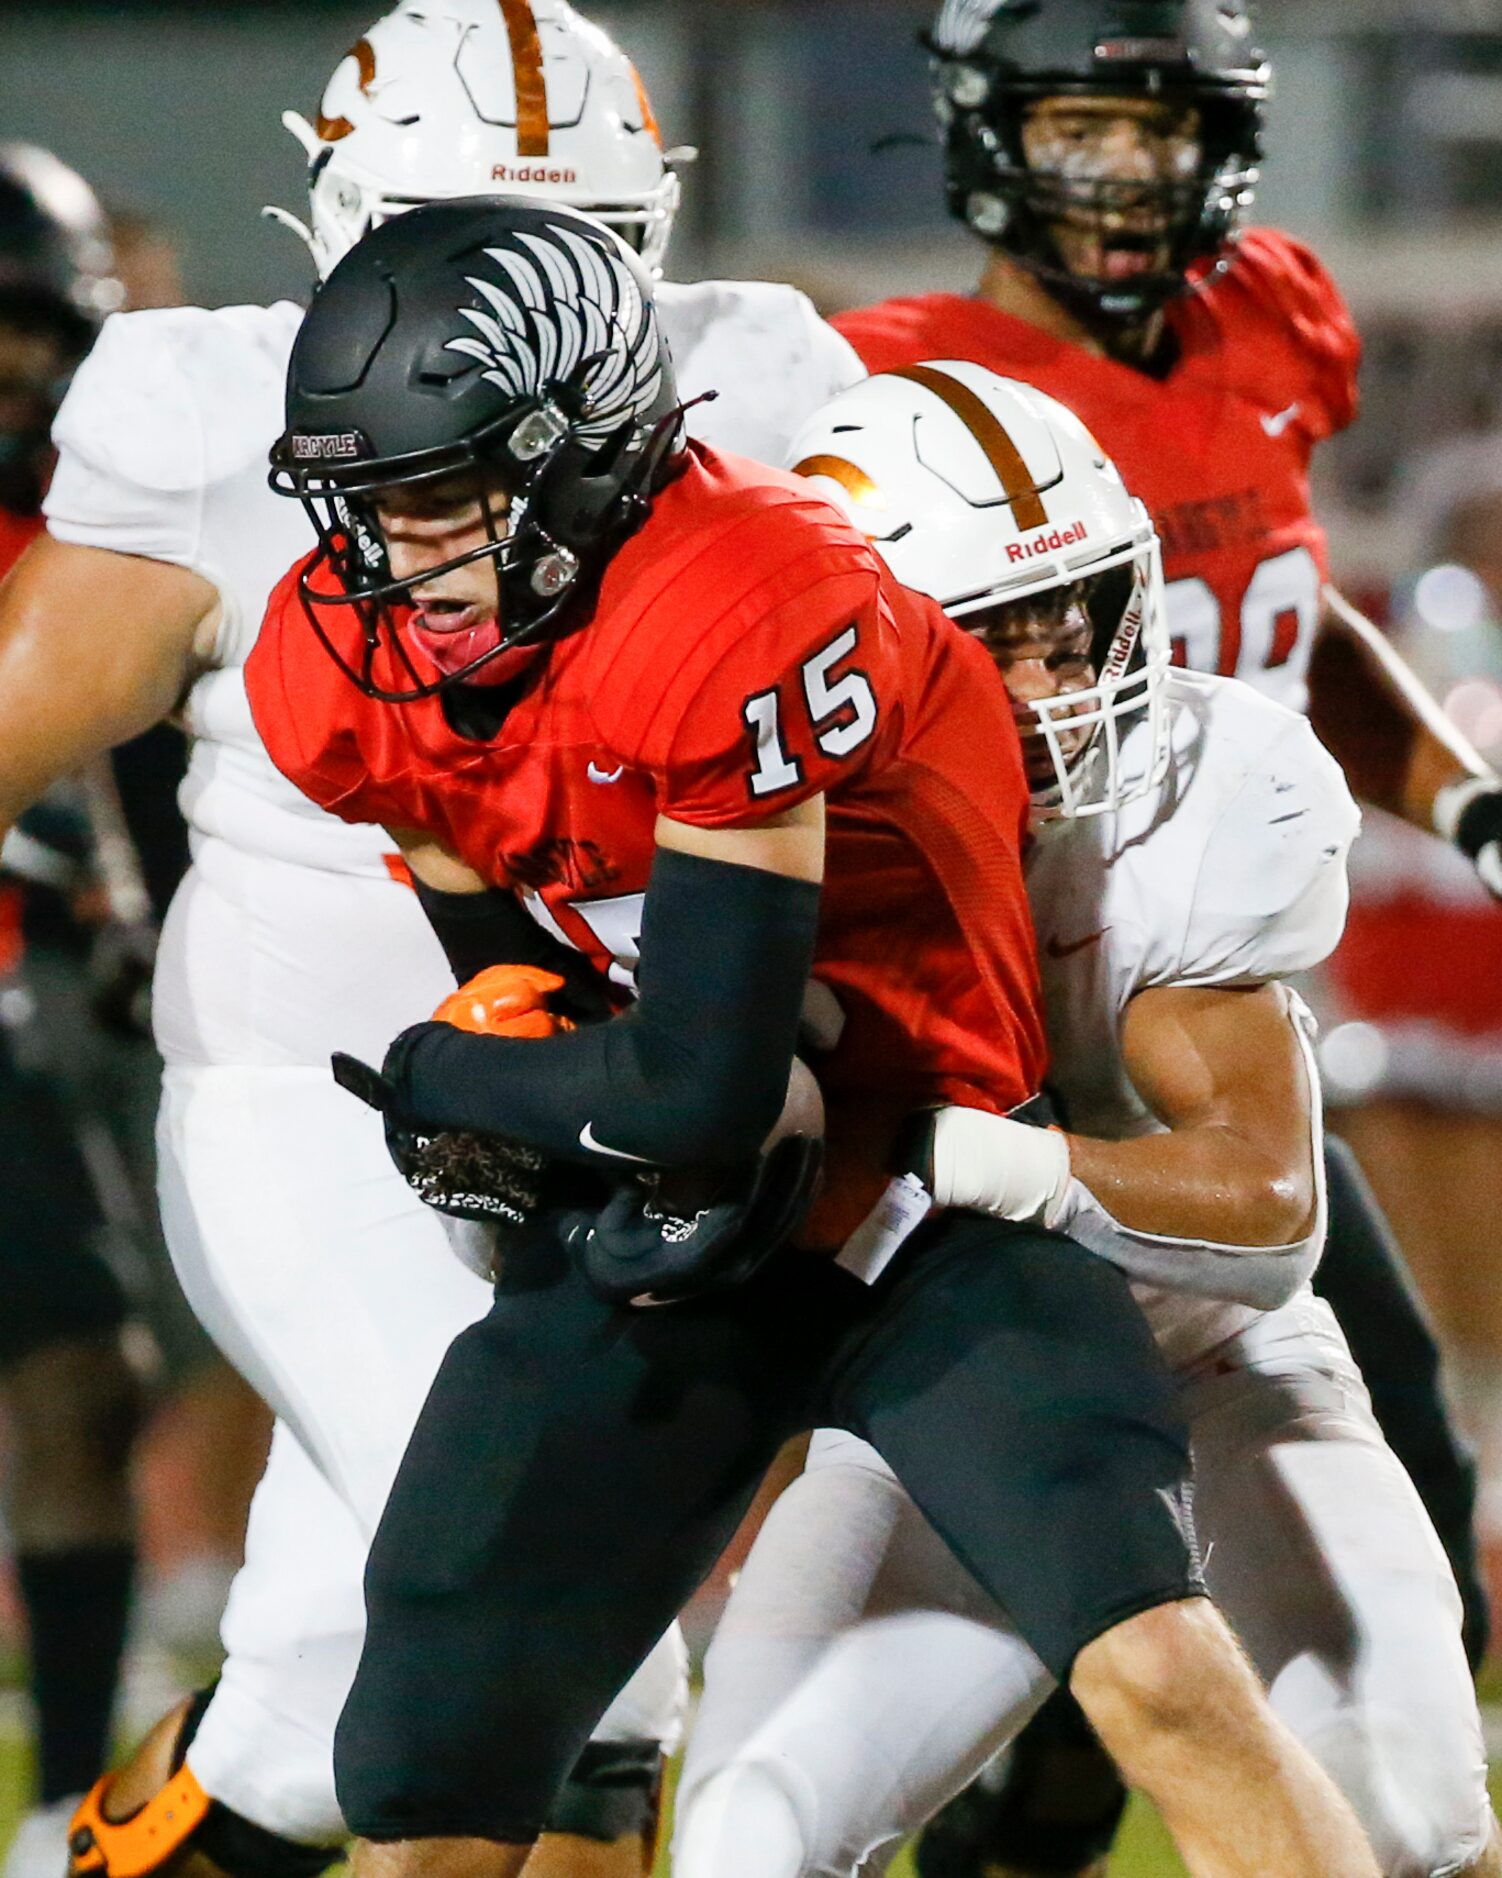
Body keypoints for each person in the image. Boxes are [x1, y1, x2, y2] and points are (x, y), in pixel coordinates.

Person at [244, 192, 1383, 1878]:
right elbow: (514, 937)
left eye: (436, 499)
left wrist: (445, 1080)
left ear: (581, 456)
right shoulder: (340, 658)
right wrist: (524, 1042)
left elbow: (702, 1084)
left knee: (1162, 1674)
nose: (391, 560)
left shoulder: (744, 597)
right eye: (370, 504)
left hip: (927, 1196)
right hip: (665, 1233)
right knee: (427, 1792)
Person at [0, 4, 861, 1874]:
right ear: (337, 220)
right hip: (323, 1111)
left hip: (619, 1113)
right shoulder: (218, 413)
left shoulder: (768, 385)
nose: (506, 308)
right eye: (451, 239)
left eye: (576, 252)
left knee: (328, 1704)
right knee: (567, 1630)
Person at [668, 361, 1500, 1878]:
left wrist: (990, 1158)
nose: (1063, 686)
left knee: (1404, 1823)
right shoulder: (756, 817)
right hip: (942, 1393)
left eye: (1078, 622)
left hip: (1213, 1361)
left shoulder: (1201, 789)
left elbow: (1265, 1207)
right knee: (745, 1833)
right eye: (1001, 645)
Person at [827, 5, 1495, 1867]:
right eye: (1083, 131)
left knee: (1393, 1505)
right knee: (1019, 1576)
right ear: (983, 130)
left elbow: (1292, 611)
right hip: (999, 1041)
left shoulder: (1267, 318)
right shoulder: (877, 396)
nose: (1128, 179)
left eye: (1162, 129)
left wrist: (1464, 801)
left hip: (1207, 1017)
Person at [0, 145, 144, 1878]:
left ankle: (66, 1810)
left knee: (81, 1376)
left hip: (27, 997)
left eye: (28, 333)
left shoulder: (116, 508)